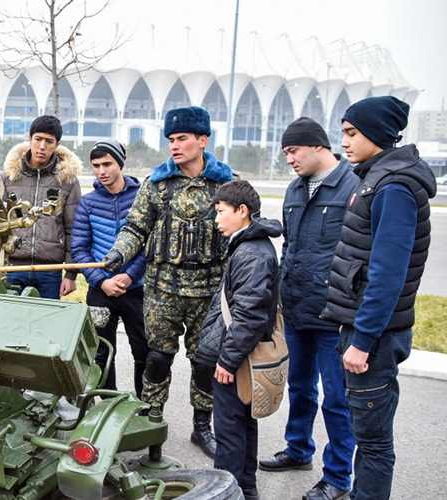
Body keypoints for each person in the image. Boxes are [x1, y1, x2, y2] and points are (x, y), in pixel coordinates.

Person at [320, 96, 436, 500]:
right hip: (361, 329)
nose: (344, 142)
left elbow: (388, 275)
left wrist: (364, 339)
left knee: (372, 443)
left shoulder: (394, 187)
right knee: (365, 434)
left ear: (378, 133)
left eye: (352, 133)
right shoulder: (376, 177)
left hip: (375, 339)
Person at [104, 106, 233, 458]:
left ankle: (202, 426)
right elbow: (135, 227)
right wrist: (118, 253)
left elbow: (241, 232)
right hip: (163, 290)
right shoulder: (157, 184)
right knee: (157, 359)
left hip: (208, 292)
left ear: (203, 140)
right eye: (171, 139)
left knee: (204, 363)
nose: (174, 146)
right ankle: (152, 419)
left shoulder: (226, 183)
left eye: (182, 139)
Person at [258, 118, 357, 500]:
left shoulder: (352, 185)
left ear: (318, 146)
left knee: (337, 399)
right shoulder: (295, 189)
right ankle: (298, 449)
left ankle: (338, 476)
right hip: (298, 309)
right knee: (299, 387)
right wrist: (280, 292)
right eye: (285, 152)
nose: (289, 159)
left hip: (334, 314)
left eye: (293, 151)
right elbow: (291, 247)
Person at [194, 179, 282, 500]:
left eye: (221, 212)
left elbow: (249, 315)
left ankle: (226, 492)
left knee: (230, 431)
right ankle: (246, 488)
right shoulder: (248, 245)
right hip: (240, 352)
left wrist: (227, 361)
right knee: (243, 425)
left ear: (242, 211)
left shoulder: (251, 253)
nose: (216, 219)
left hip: (237, 357)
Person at [71, 139, 149, 398]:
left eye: (107, 164)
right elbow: (79, 250)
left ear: (120, 164)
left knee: (144, 352)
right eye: (96, 166)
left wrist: (130, 276)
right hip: (100, 290)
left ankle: (145, 408)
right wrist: (101, 281)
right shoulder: (88, 203)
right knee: (101, 353)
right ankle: (107, 404)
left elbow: (150, 245)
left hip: (137, 290)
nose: (101, 171)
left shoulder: (142, 199)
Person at [1, 115, 82, 299]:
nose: (42, 146)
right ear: (30, 139)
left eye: (49, 141)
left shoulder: (68, 180)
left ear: (57, 144)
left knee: (47, 317)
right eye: (38, 139)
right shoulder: (9, 176)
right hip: (12, 267)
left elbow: (73, 228)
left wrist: (71, 274)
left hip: (50, 271)